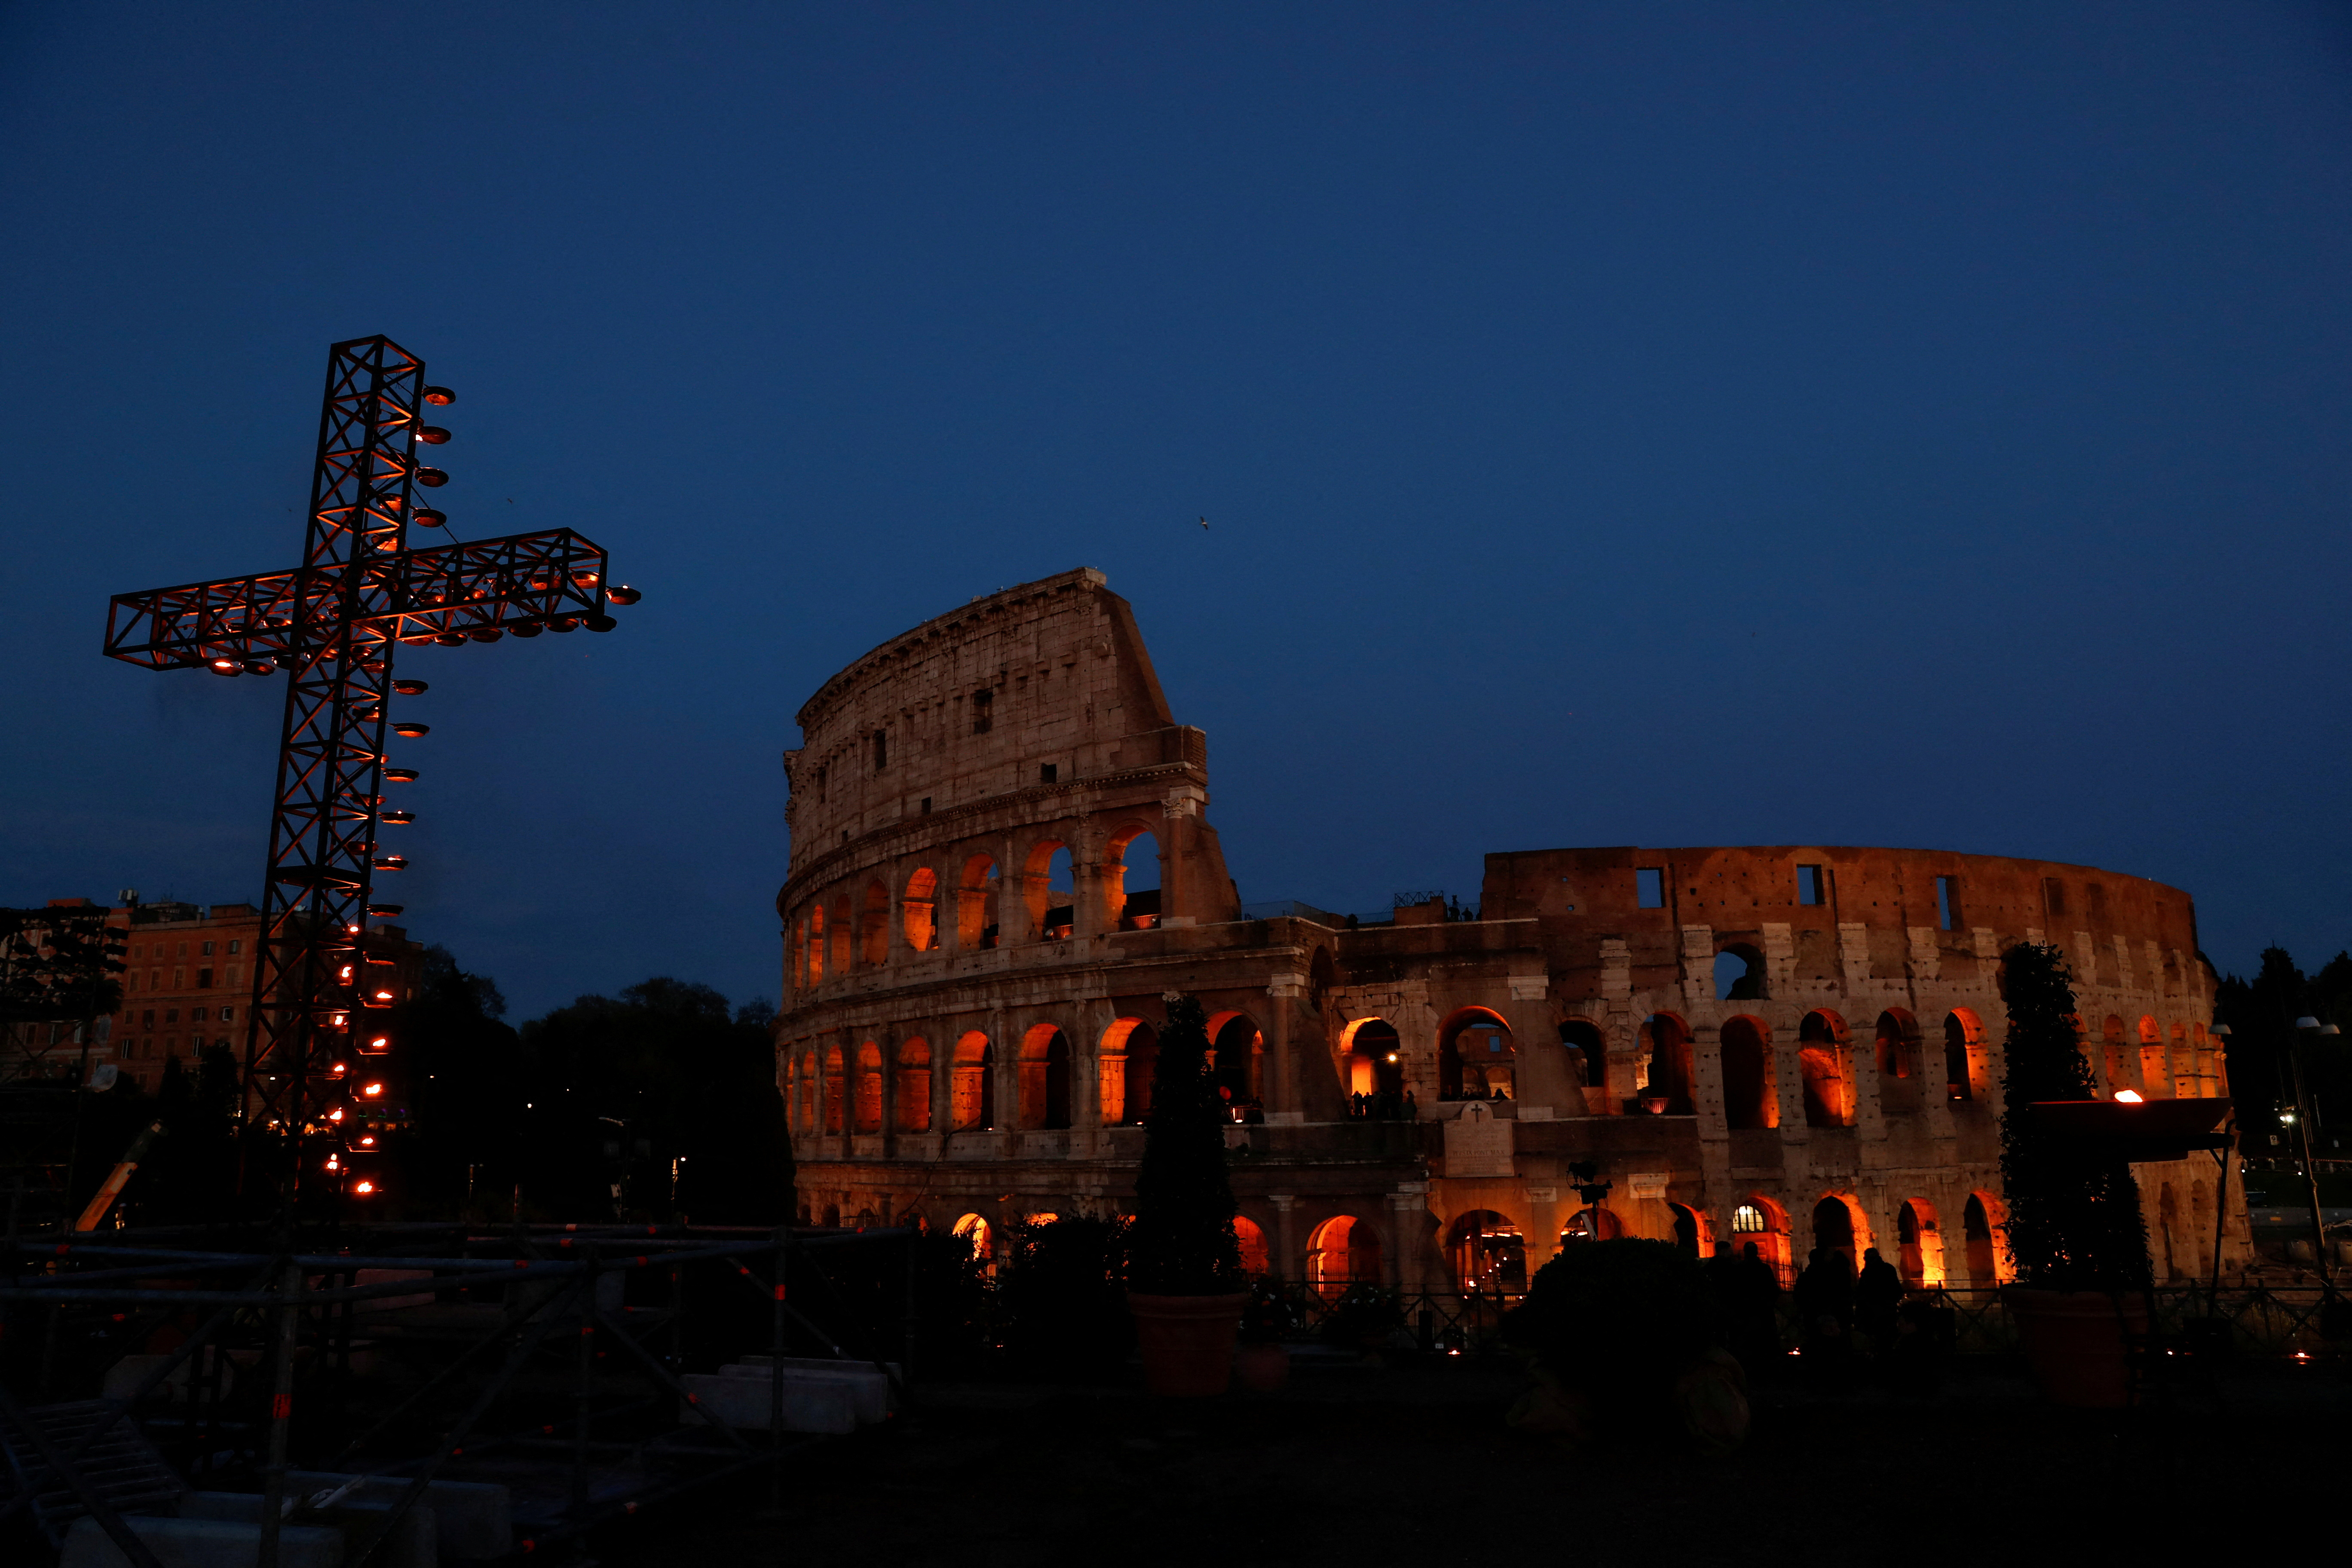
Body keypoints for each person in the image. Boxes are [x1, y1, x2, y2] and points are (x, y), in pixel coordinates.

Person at [1853, 1246, 1903, 1351]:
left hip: (1872, 1311)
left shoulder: (1867, 1272)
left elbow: (1862, 1292)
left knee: (1876, 1341)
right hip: (1888, 1309)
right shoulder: (1888, 1268)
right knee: (1888, 1339)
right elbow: (1897, 1288)